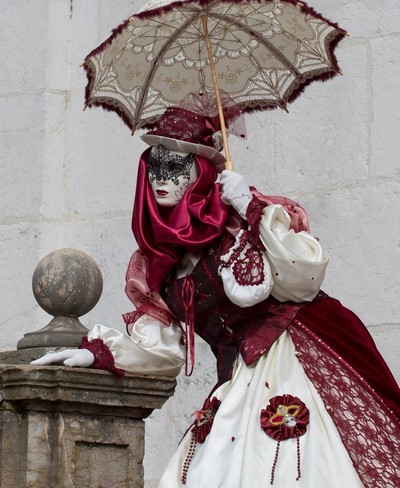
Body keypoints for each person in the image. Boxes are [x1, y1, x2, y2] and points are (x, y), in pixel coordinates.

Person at [33, 108, 400, 488]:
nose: (163, 178)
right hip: (237, 377)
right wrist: (96, 355)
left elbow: (303, 277)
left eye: (177, 165)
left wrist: (251, 210)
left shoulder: (240, 219)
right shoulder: (157, 261)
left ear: (202, 169)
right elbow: (161, 350)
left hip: (298, 350)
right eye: (155, 167)